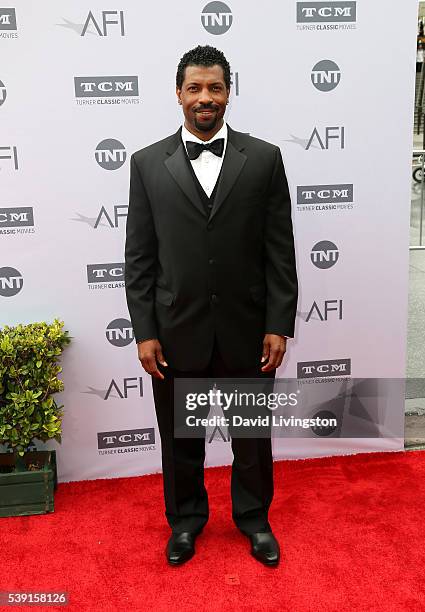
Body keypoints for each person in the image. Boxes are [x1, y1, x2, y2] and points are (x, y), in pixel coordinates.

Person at [125, 45, 298, 567]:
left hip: (248, 329)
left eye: (215, 88)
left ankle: (254, 519)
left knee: (251, 438)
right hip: (176, 331)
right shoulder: (147, 164)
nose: (205, 97)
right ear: (178, 94)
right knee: (180, 440)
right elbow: (139, 258)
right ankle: (185, 523)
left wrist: (278, 323)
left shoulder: (264, 159)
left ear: (229, 93)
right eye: (195, 88)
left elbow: (279, 250)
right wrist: (145, 331)